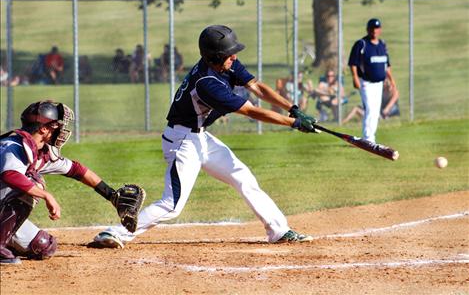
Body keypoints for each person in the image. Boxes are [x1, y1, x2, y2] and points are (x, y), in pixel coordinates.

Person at [90, 25, 320, 249]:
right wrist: (294, 124)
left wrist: (293, 108)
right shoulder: (207, 83)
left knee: (243, 177)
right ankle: (113, 233)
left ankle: (278, 231)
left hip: (201, 138)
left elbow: (256, 86)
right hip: (182, 142)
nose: (235, 57)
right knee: (172, 205)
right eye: (229, 54)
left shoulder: (225, 65)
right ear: (215, 57)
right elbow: (250, 111)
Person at [0, 101, 143, 264]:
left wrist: (111, 195)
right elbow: (10, 175)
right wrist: (46, 196)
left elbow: (77, 170)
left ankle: (5, 242)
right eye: (55, 125)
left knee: (44, 246)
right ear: (44, 128)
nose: (61, 130)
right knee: (34, 183)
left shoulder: (40, 152)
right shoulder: (12, 146)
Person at [348, 18, 396, 142]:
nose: (374, 31)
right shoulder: (362, 44)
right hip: (366, 83)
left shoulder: (382, 45)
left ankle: (371, 136)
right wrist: (355, 78)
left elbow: (387, 65)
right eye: (372, 28)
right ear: (368, 29)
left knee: (375, 111)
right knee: (369, 108)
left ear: (380, 30)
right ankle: (368, 138)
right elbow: (353, 63)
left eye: (377, 28)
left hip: (379, 83)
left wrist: (392, 80)